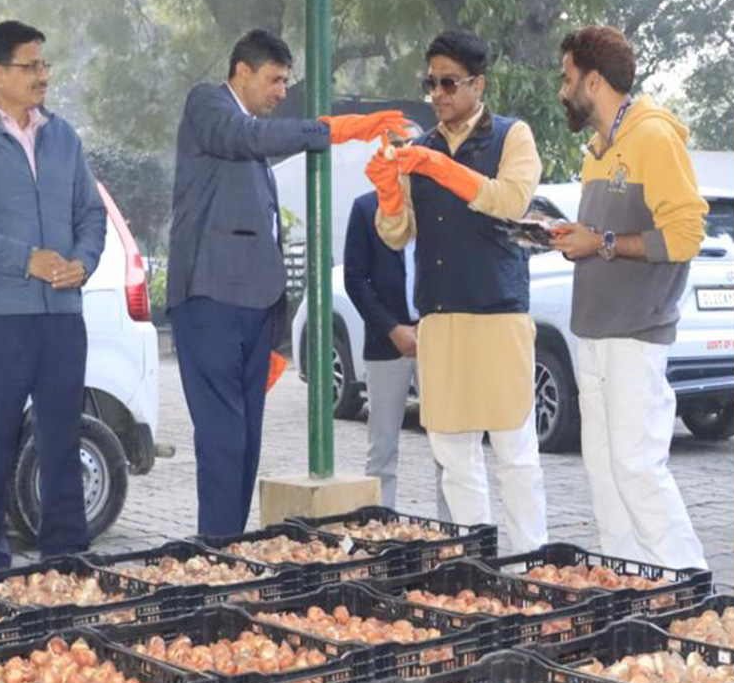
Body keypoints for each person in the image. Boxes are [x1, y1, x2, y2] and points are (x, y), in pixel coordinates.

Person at [168, 29, 407, 537]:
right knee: (223, 437)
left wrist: (277, 324)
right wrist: (330, 130)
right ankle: (216, 548)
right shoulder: (209, 106)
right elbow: (244, 138)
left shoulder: (249, 134)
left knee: (247, 438)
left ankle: (229, 545)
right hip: (210, 299)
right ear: (242, 72)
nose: (281, 91)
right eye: (275, 80)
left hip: (254, 309)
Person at [0, 20, 106, 571]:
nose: (44, 76)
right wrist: (24, 259)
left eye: (44, 66)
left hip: (62, 315)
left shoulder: (64, 136)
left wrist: (85, 261)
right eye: (32, 66)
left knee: (62, 439)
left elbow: (92, 212)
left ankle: (67, 555)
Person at [365, 29, 548, 552]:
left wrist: (443, 168)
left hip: (498, 314)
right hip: (440, 319)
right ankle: (477, 560)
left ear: (478, 84)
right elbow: (396, 233)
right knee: (452, 453)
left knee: (515, 451)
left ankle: (530, 562)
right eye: (431, 83)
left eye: (449, 83)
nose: (439, 94)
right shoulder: (417, 149)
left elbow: (511, 201)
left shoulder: (513, 136)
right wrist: (388, 193)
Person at [550, 25, 708, 570]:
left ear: (593, 81)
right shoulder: (599, 148)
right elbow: (601, 240)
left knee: (637, 469)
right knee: (604, 472)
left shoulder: (654, 138)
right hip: (594, 332)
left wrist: (604, 242)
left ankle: (688, 586)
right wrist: (577, 238)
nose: (561, 90)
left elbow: (687, 235)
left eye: (567, 78)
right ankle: (628, 591)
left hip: (637, 334)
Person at [343, 186, 423, 510]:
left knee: (450, 446)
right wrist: (392, 328)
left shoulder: (435, 201)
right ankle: (381, 530)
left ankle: (454, 533)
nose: (404, 154)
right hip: (385, 340)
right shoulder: (365, 208)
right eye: (396, 146)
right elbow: (355, 278)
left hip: (436, 334)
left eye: (411, 146)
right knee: (382, 447)